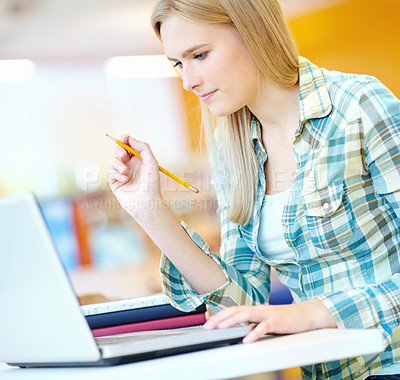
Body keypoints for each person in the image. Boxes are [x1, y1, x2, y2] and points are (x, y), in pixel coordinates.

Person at [107, 0, 400, 378]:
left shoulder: (358, 105)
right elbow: (242, 306)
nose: (188, 81)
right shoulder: (234, 150)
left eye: (200, 55)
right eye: (178, 64)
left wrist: (313, 313)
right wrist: (151, 212)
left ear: (254, 32)